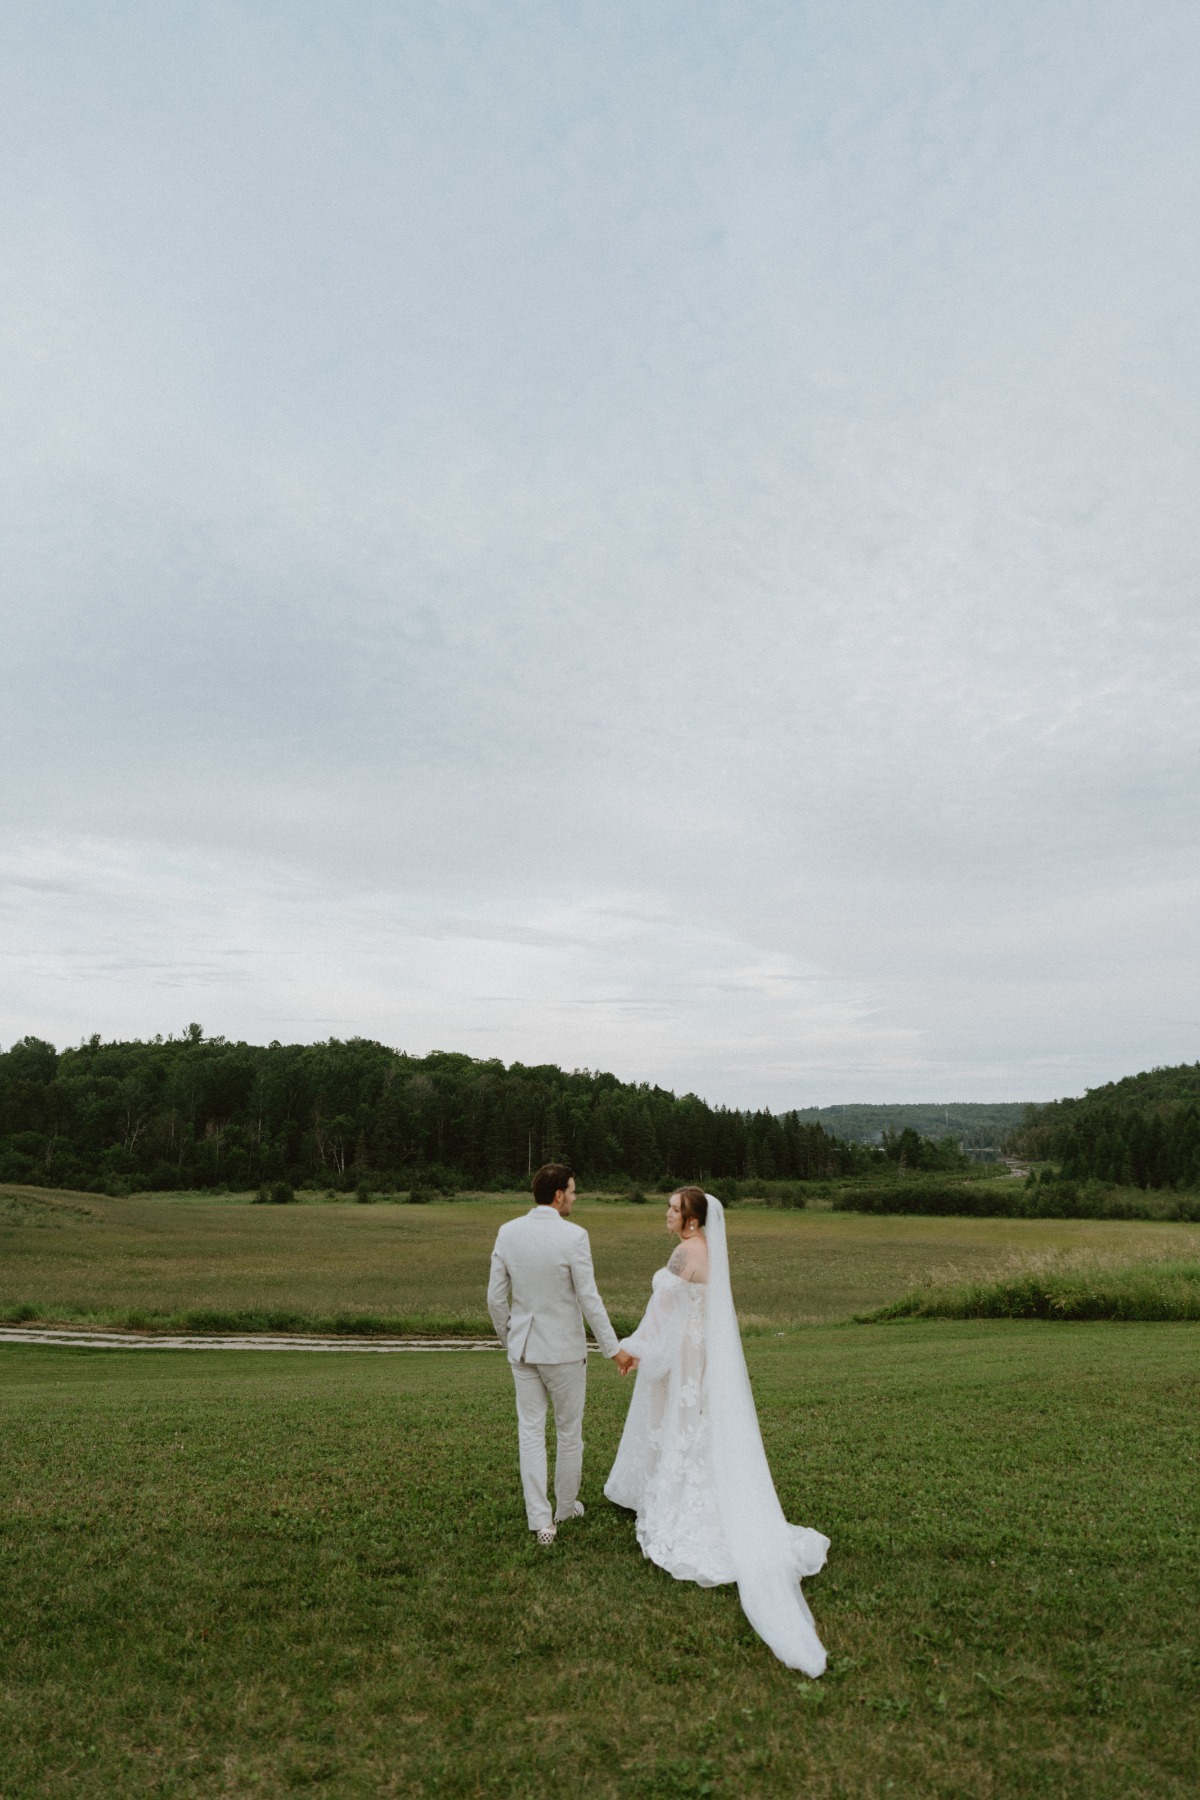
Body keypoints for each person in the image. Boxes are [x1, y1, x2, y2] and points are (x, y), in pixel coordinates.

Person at [604, 1187, 829, 1674]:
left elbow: (660, 1312)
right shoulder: (708, 1250)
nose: (665, 1213)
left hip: (683, 1351)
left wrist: (631, 1349)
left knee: (679, 1422)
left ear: (691, 1219)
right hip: (699, 1349)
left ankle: (679, 1495)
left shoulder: (685, 1253)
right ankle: (690, 1483)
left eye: (672, 1208)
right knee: (694, 1424)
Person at [488, 1163, 633, 1546]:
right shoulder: (574, 1236)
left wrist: (510, 1337)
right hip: (564, 1352)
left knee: (531, 1432)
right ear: (557, 1195)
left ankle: (540, 1520)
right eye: (572, 1190)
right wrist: (614, 1349)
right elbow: (589, 1298)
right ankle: (565, 1507)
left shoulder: (508, 1232)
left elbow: (494, 1297)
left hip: (523, 1350)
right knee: (569, 1432)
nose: (574, 1196)